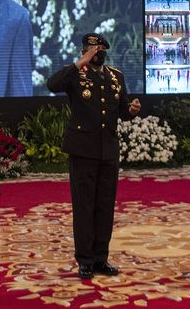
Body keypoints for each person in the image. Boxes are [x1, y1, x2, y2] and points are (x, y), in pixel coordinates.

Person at [47, 33, 141, 279]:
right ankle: (85, 260)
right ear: (83, 51)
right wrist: (79, 63)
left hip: (108, 150)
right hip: (83, 149)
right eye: (91, 49)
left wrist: (131, 110)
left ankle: (101, 258)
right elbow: (52, 85)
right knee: (84, 206)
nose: (96, 52)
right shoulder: (75, 75)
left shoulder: (115, 76)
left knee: (105, 207)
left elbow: (122, 109)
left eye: (99, 49)